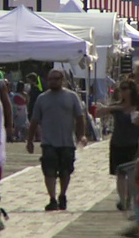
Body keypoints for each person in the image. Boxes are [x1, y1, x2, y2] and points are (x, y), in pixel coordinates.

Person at [27, 69, 87, 211]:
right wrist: (29, 140)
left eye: (56, 79)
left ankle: (62, 194)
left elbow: (80, 117)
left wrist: (81, 135)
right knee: (49, 171)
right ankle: (52, 199)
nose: (53, 82)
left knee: (66, 171)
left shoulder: (72, 97)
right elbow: (34, 120)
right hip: (48, 142)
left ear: (63, 80)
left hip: (67, 142)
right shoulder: (42, 98)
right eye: (50, 79)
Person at [97, 79, 139, 211]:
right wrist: (109, 108)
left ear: (132, 90)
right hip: (118, 142)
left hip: (134, 144)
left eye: (125, 88)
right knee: (120, 174)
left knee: (133, 174)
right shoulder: (116, 107)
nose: (122, 91)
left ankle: (131, 199)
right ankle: (123, 201)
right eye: (121, 89)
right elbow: (99, 113)